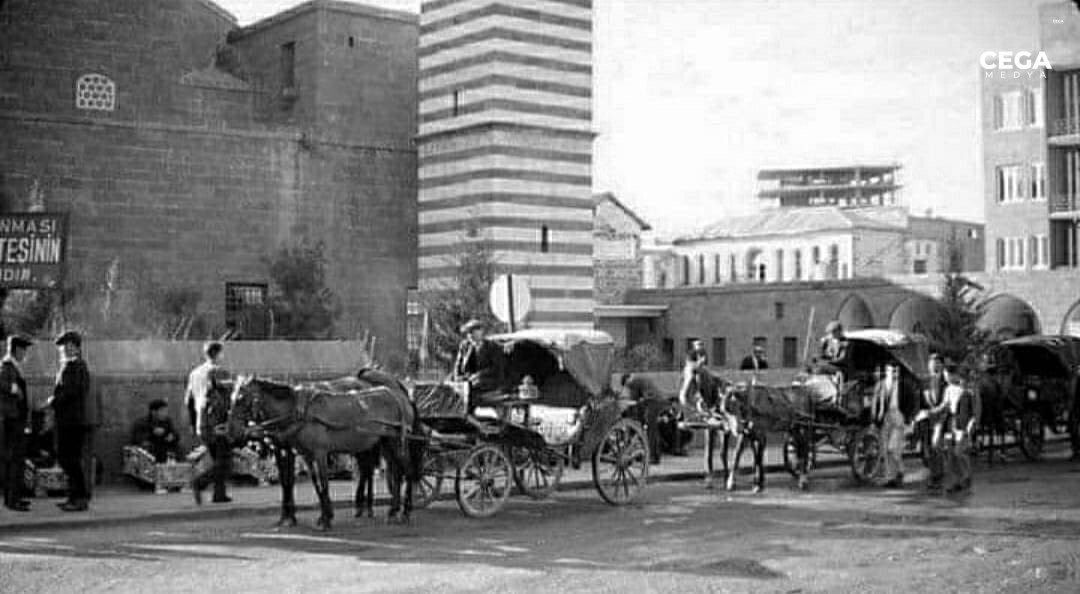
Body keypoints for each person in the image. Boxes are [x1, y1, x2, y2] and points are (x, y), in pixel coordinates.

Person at [48, 331, 92, 512]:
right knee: (67, 458)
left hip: (72, 420)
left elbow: (71, 393)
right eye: (63, 346)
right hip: (67, 419)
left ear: (76, 347)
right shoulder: (68, 366)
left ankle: (79, 496)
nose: (64, 349)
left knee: (70, 459)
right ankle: (74, 495)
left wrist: (52, 401)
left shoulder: (77, 367)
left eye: (68, 345)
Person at [185, 341, 233, 504]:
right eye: (222, 353)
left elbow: (189, 401)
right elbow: (229, 398)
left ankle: (219, 494)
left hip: (202, 422)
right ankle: (199, 483)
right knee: (225, 462)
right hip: (218, 422)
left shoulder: (195, 373)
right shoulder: (219, 371)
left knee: (218, 458)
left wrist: (193, 423)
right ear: (218, 353)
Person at [928, 363, 980, 495]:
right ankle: (956, 481)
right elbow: (945, 405)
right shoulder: (949, 389)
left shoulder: (969, 390)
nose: (946, 378)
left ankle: (966, 476)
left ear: (954, 375)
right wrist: (932, 412)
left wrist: (972, 424)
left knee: (959, 452)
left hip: (963, 424)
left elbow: (976, 410)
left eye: (947, 376)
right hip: (951, 423)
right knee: (950, 454)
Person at [0, 335, 33, 512]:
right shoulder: (6, 365)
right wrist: (15, 389)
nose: (24, 354)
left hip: (17, 418)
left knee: (17, 460)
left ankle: (15, 497)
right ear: (16, 350)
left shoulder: (13, 366)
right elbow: (2, 383)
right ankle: (12, 499)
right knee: (14, 460)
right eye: (22, 350)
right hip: (12, 419)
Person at [452, 319, 506, 401]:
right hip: (468, 379)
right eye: (468, 333)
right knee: (452, 387)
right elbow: (458, 365)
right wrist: (457, 378)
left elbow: (496, 368)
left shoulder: (492, 346)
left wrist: (478, 375)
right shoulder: (465, 346)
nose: (470, 335)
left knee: (472, 386)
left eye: (472, 332)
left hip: (488, 379)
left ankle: (468, 407)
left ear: (481, 332)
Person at [872, 364, 907, 488]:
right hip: (887, 416)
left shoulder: (904, 384)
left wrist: (909, 418)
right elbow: (877, 401)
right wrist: (877, 416)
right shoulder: (883, 384)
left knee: (893, 448)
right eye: (890, 370)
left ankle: (900, 470)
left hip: (898, 415)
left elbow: (912, 400)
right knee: (885, 448)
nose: (893, 373)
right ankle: (891, 476)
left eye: (895, 371)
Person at [620, 373, 665, 465]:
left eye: (626, 386)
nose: (628, 388)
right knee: (653, 429)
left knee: (650, 430)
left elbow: (633, 400)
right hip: (657, 400)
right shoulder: (639, 378)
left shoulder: (632, 381)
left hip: (653, 402)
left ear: (626, 381)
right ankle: (654, 455)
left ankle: (652, 456)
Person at [131, 399, 181, 463]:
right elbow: (138, 439)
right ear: (153, 412)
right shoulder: (142, 422)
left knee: (175, 448)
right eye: (162, 411)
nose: (165, 414)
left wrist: (172, 436)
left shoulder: (167, 421)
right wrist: (153, 433)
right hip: (150, 452)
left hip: (165, 450)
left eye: (166, 411)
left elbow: (175, 433)